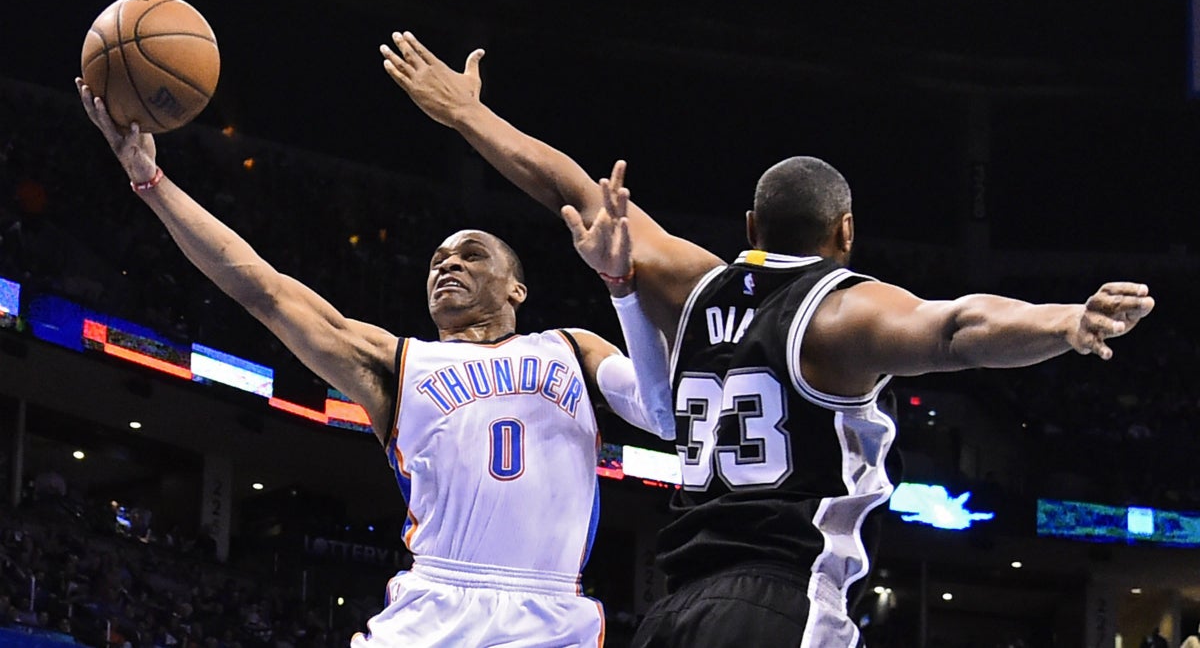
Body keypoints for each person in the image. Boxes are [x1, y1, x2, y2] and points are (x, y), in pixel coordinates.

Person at [379, 32, 1157, 647]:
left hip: (673, 606)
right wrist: (1066, 321)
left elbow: (571, 189)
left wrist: (467, 115)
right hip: (782, 601)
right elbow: (958, 327)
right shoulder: (838, 313)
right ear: (845, 231)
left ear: (750, 230)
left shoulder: (694, 282)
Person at [75, 77, 676, 648]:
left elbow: (665, 415)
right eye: (438, 260)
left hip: (548, 613)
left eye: (471, 255)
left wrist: (621, 289)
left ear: (517, 289)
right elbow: (266, 289)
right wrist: (151, 180)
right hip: (433, 603)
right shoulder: (396, 362)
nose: (448, 266)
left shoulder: (571, 346)